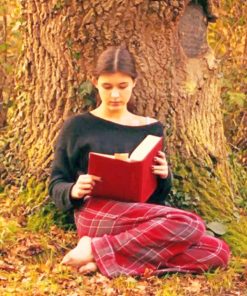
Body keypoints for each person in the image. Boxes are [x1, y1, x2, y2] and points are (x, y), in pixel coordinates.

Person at [48, 46, 230, 278]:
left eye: (122, 87)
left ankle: (99, 257)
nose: (115, 95)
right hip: (96, 214)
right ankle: (98, 249)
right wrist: (73, 189)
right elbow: (56, 183)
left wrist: (164, 176)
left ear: (134, 82)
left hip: (141, 217)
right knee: (191, 224)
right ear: (95, 82)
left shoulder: (151, 128)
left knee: (217, 250)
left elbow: (156, 198)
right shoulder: (78, 126)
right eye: (107, 86)